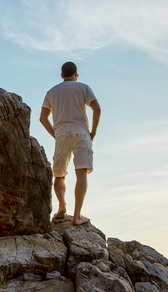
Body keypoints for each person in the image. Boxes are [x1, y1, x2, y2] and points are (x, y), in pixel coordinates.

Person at [40, 62, 101, 226]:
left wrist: (55, 134)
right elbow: (97, 109)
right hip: (80, 132)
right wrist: (93, 131)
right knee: (81, 173)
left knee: (59, 174)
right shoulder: (83, 87)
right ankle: (77, 216)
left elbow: (42, 118)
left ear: (61, 75)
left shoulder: (51, 92)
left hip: (61, 134)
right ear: (76, 73)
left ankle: (62, 206)